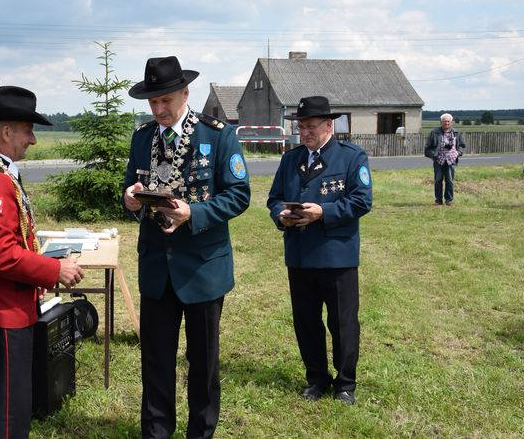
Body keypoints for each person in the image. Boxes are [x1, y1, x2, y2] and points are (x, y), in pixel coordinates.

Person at [123, 56, 251, 438]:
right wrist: (130, 200)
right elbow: (131, 186)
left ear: (185, 93)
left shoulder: (217, 135)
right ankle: (157, 432)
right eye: (153, 103)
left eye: (166, 100)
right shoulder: (143, 137)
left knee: (203, 362)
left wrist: (192, 213)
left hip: (202, 268)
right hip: (157, 269)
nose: (160, 109)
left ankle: (201, 431)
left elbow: (239, 195)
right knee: (156, 361)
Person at [0, 85, 85, 439]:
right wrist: (54, 270)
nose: (33, 140)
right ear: (7, 131)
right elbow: (2, 254)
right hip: (2, 312)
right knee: (8, 413)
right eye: (28, 130)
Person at [266, 96, 373, 405]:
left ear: (329, 125)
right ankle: (316, 378)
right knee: (306, 321)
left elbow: (361, 201)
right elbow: (274, 198)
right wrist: (280, 215)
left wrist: (322, 212)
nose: (305, 133)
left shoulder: (351, 157)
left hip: (335, 254)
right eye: (301, 127)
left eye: (311, 126)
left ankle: (345, 383)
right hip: (299, 254)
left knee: (342, 322)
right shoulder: (291, 159)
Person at [424, 113, 466, 206]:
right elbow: (427, 148)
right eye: (444, 121)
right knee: (438, 180)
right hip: (439, 160)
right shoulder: (434, 132)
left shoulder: (457, 133)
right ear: (441, 122)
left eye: (448, 121)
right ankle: (438, 200)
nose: (446, 123)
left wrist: (458, 153)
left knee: (450, 181)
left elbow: (462, 146)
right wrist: (434, 155)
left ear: (451, 122)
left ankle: (448, 200)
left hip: (451, 160)